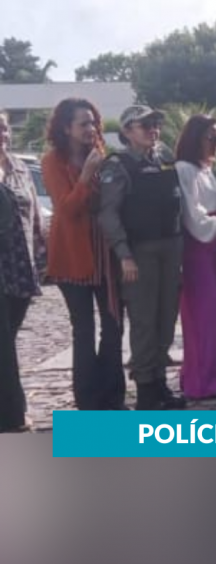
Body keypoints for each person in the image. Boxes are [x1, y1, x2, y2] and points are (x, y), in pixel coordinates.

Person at [98, 105, 186, 411]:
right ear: (127, 131)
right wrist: (124, 255)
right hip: (140, 252)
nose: (153, 130)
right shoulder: (118, 165)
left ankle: (160, 382)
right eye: (144, 125)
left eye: (155, 124)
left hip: (170, 248)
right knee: (145, 322)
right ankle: (146, 390)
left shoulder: (164, 158)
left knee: (166, 319)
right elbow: (108, 215)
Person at [42, 99, 127, 411]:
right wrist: (85, 176)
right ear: (66, 128)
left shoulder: (101, 156)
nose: (91, 129)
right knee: (84, 330)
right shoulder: (52, 161)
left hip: (106, 256)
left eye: (93, 122)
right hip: (73, 258)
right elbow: (66, 209)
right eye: (83, 123)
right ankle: (88, 402)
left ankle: (112, 397)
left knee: (114, 325)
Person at [175, 115, 216, 400]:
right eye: (212, 138)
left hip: (210, 248)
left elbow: (210, 208)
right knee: (201, 316)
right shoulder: (184, 169)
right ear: (196, 138)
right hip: (195, 250)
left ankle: (207, 376)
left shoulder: (205, 169)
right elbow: (193, 215)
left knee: (211, 315)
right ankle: (200, 383)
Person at [0, 113, 45, 431]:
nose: (2, 134)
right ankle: (13, 416)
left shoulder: (18, 167)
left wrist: (42, 251)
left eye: (4, 128)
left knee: (8, 340)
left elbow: (35, 213)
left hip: (20, 268)